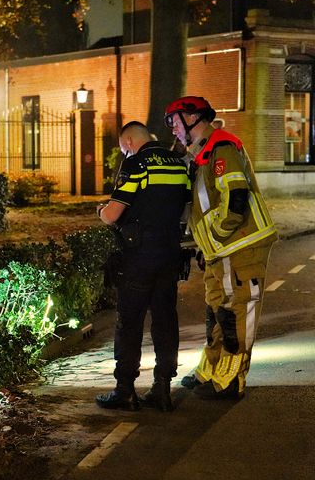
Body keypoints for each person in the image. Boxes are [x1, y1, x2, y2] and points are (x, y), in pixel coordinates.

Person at [165, 96, 278, 400]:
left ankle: (231, 380)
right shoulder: (203, 154)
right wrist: (204, 246)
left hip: (239, 246)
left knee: (237, 311)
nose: (172, 129)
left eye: (174, 122)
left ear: (192, 118)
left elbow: (235, 200)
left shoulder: (221, 148)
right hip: (221, 250)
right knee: (219, 311)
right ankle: (213, 371)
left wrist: (214, 236)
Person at [95, 121, 192, 412]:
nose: (124, 152)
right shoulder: (178, 164)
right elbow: (186, 207)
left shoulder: (137, 164)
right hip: (169, 254)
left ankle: (125, 390)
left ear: (128, 140)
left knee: (130, 322)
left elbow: (113, 214)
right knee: (165, 320)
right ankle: (162, 387)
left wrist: (101, 211)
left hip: (139, 256)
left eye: (123, 147)